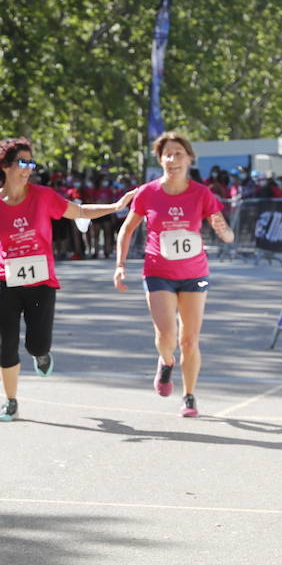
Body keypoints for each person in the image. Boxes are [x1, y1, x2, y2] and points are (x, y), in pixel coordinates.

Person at [0, 138, 136, 421]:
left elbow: (79, 212)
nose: (28, 169)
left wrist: (115, 206)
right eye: (22, 162)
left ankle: (41, 354)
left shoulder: (43, 196)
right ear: (4, 166)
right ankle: (10, 401)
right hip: (5, 278)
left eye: (31, 163)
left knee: (37, 344)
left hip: (41, 281)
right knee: (7, 339)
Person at [113, 131, 234, 418]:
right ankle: (166, 362)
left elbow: (226, 234)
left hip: (194, 273)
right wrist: (120, 265)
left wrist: (224, 232)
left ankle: (189, 396)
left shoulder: (201, 193)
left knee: (189, 339)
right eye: (167, 154)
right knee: (166, 334)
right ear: (160, 160)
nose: (173, 159)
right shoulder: (147, 193)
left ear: (189, 158)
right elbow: (127, 229)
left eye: (179, 153)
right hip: (158, 270)